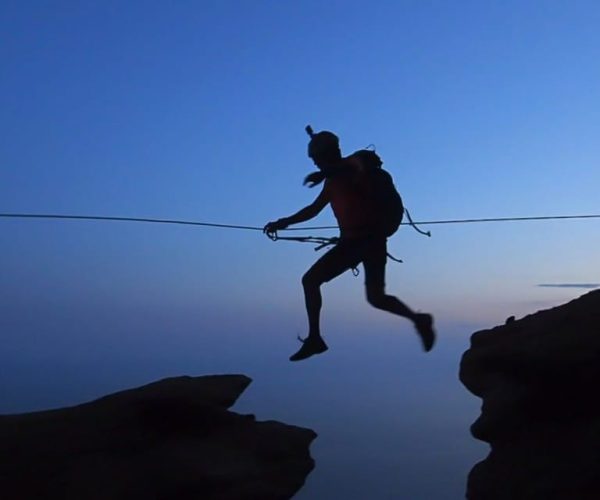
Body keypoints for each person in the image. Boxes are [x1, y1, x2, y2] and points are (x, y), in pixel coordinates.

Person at [264, 127, 435, 361]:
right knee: (376, 297)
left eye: (316, 159)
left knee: (311, 280)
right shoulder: (335, 178)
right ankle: (419, 320)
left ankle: (315, 339)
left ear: (327, 154)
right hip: (370, 242)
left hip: (359, 242)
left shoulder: (355, 169)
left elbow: (353, 166)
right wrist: (284, 222)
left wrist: (324, 175)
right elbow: (313, 210)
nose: (315, 164)